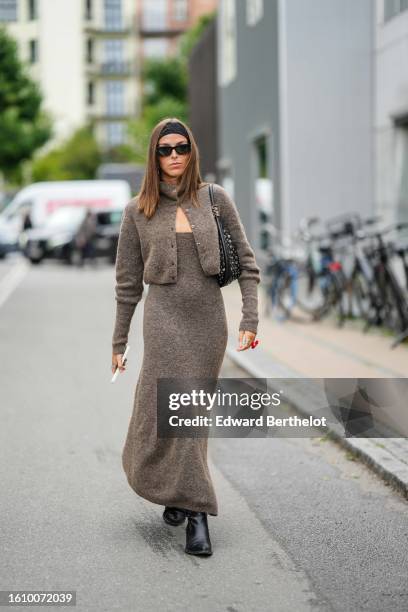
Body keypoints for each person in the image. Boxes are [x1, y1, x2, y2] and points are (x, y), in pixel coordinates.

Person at [111, 117, 260, 556]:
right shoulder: (137, 211)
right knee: (164, 412)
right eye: (164, 149)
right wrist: (118, 344)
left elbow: (248, 265)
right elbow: (126, 285)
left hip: (207, 324)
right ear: (153, 156)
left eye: (181, 147)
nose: (174, 156)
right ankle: (175, 491)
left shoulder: (215, 199)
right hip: (162, 322)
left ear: (191, 151)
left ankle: (196, 512)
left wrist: (250, 319)